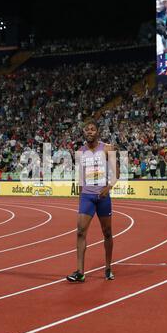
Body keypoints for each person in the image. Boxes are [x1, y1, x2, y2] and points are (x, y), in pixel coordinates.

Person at [67, 120, 119, 283]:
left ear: (97, 132)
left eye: (92, 129)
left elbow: (116, 171)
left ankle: (108, 267)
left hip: (102, 197)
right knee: (80, 231)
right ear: (84, 132)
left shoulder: (106, 148)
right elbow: (81, 176)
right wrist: (81, 195)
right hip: (87, 197)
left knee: (107, 233)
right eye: (87, 129)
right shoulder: (80, 152)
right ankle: (80, 272)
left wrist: (108, 187)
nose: (89, 132)